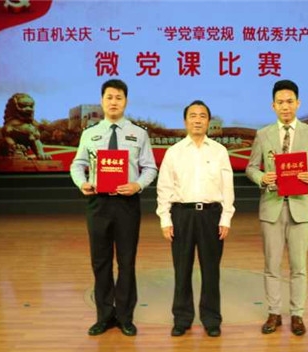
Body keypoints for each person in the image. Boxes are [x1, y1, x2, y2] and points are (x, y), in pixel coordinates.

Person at [70, 79, 158, 336]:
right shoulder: (90, 133)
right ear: (102, 101)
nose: (114, 102)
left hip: (126, 203)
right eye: (109, 97)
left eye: (119, 97)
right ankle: (104, 316)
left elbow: (150, 168)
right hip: (98, 203)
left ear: (126, 101)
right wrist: (82, 183)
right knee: (101, 261)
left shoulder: (138, 133)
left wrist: (137, 185)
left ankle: (125, 317)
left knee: (126, 261)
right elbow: (77, 164)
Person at [246, 80, 308, 336]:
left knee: (298, 266)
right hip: (271, 206)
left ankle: (297, 314)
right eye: (280, 102)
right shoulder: (263, 134)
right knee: (271, 265)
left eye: (290, 101)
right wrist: (262, 178)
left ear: (298, 103)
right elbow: (251, 167)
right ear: (273, 106)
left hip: (300, 207)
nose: (285, 106)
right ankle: (273, 313)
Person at [156, 100, 235, 338]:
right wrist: (165, 219)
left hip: (211, 215)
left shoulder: (219, 151)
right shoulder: (174, 152)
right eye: (193, 116)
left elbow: (227, 187)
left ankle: (211, 319)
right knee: (182, 270)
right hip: (182, 215)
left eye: (202, 116)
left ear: (208, 121)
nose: (198, 120)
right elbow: (164, 187)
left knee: (211, 271)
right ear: (185, 121)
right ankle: (182, 319)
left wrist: (226, 218)